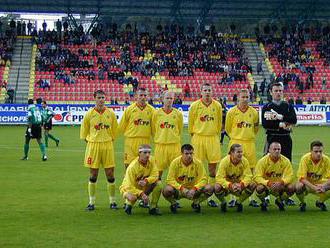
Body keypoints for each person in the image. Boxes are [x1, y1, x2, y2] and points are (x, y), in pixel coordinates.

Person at [80, 90, 118, 211]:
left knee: (110, 174)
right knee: (93, 174)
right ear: (94, 98)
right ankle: (91, 203)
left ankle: (112, 202)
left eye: (103, 97)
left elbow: (115, 131)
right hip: (93, 146)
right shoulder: (89, 114)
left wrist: (107, 139)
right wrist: (93, 142)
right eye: (99, 97)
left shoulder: (110, 113)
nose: (101, 100)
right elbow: (84, 133)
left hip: (107, 145)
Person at [188, 83, 222, 207]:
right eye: (205, 90)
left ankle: (210, 197)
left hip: (212, 138)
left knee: (212, 169)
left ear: (212, 92)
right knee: (198, 168)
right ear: (201, 92)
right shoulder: (194, 106)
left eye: (209, 90)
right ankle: (198, 194)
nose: (207, 92)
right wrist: (195, 136)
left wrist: (214, 134)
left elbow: (219, 124)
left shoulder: (217, 105)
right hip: (198, 138)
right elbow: (191, 124)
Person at [225, 89, 259, 207]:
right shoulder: (231, 112)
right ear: (238, 97)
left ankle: (252, 198)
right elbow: (228, 128)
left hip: (249, 143)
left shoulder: (254, 112)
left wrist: (248, 136)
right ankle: (232, 198)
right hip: (235, 142)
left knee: (251, 169)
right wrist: (236, 138)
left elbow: (255, 128)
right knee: (232, 171)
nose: (245, 99)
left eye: (247, 97)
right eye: (243, 97)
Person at [163, 144, 213, 213]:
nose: (189, 155)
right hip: (179, 190)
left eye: (191, 153)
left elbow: (204, 179)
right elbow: (169, 179)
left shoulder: (198, 163)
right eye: (186, 153)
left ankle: (196, 203)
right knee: (167, 190)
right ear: (181, 154)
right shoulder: (175, 163)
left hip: (194, 191)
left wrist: (194, 189)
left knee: (209, 188)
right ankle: (174, 203)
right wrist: (182, 188)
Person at [119, 144, 162, 215]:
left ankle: (153, 208)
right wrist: (142, 194)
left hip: (144, 186)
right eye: (145, 153)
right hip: (129, 187)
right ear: (139, 153)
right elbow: (129, 186)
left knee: (159, 184)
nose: (147, 155)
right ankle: (128, 202)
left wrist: (146, 181)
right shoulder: (132, 167)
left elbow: (155, 175)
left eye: (149, 153)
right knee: (133, 198)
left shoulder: (152, 160)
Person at [118, 88, 154, 169]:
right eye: (141, 95)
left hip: (145, 141)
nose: (143, 97)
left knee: (144, 167)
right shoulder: (129, 109)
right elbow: (121, 126)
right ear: (136, 97)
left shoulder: (152, 110)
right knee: (128, 166)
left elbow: (154, 127)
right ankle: (127, 181)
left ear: (148, 97)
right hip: (131, 141)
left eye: (145, 95)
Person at [214, 144, 256, 212]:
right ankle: (223, 202)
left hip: (239, 186)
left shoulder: (245, 161)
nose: (240, 154)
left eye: (241, 152)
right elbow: (219, 178)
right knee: (216, 187)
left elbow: (248, 176)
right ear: (231, 153)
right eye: (238, 152)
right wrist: (230, 185)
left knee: (253, 184)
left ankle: (239, 202)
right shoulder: (224, 161)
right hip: (227, 186)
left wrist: (241, 185)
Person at [254, 142, 295, 211]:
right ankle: (263, 202)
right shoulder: (262, 161)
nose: (277, 151)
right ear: (269, 150)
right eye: (274, 149)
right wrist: (268, 183)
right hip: (266, 186)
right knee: (259, 188)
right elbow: (257, 177)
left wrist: (281, 182)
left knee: (291, 188)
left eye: (279, 149)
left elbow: (290, 176)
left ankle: (279, 200)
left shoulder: (286, 161)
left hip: (279, 186)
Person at [152, 91, 183, 178]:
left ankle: (174, 191)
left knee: (177, 173)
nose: (169, 100)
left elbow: (179, 129)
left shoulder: (178, 114)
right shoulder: (156, 114)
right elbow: (154, 129)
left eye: (171, 98)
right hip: (160, 146)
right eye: (167, 98)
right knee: (157, 174)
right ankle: (157, 190)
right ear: (162, 99)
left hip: (174, 146)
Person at [296, 141, 330, 211]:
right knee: (298, 186)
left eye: (320, 151)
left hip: (320, 184)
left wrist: (323, 185)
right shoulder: (305, 159)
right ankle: (302, 203)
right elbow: (302, 178)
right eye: (316, 151)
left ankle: (320, 202)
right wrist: (314, 187)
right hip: (307, 184)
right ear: (311, 151)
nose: (318, 154)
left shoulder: (326, 159)